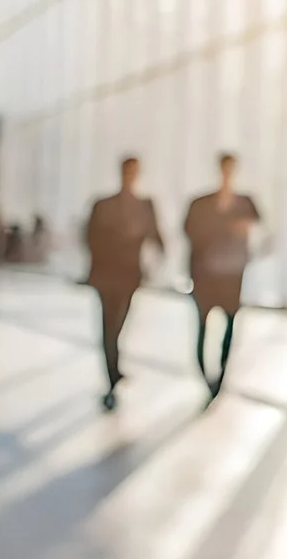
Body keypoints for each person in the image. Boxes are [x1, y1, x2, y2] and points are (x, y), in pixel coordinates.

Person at [84, 158, 164, 410]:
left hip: (128, 275)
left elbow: (156, 236)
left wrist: (156, 260)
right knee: (109, 324)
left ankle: (113, 368)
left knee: (118, 323)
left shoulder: (144, 206)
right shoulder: (104, 205)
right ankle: (111, 377)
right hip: (108, 273)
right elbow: (90, 236)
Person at [182, 154, 260, 398]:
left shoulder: (245, 203)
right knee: (203, 326)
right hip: (206, 276)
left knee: (229, 324)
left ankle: (221, 374)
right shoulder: (201, 204)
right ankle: (207, 376)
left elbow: (257, 226)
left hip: (231, 276)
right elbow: (190, 232)